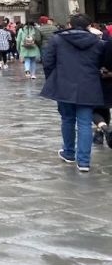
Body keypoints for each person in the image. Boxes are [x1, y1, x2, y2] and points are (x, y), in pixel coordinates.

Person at [40, 13, 106, 173]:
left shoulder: (57, 40)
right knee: (84, 123)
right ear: (89, 26)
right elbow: (103, 62)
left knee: (67, 119)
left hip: (64, 84)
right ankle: (84, 162)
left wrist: (53, 79)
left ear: (70, 25)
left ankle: (69, 153)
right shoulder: (98, 43)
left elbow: (47, 61)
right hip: (88, 85)